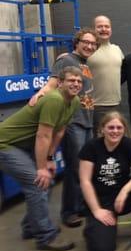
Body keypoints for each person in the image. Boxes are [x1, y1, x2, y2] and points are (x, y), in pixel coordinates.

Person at [0, 66, 82, 251]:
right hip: (5, 145)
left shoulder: (74, 101)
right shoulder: (54, 99)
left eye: (79, 81)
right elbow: (43, 135)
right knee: (38, 182)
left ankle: (31, 226)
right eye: (71, 80)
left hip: (22, 146)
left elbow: (59, 131)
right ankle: (45, 236)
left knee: (46, 182)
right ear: (60, 83)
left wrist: (50, 158)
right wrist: (41, 167)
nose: (75, 84)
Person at [30, 27, 98, 228]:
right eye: (86, 42)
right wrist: (40, 94)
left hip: (87, 121)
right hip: (73, 122)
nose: (89, 46)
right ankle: (69, 211)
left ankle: (80, 204)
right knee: (74, 167)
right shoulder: (66, 60)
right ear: (76, 42)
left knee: (85, 166)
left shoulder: (84, 63)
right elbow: (52, 84)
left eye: (93, 44)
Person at [79, 112, 131, 251]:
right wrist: (96, 210)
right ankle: (93, 227)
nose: (115, 131)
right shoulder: (91, 147)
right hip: (101, 203)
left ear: (124, 129)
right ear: (102, 129)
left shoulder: (127, 143)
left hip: (121, 199)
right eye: (111, 127)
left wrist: (125, 190)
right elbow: (85, 181)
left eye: (119, 128)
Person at [87, 15, 124, 133]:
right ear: (93, 29)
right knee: (98, 141)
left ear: (111, 30)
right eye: (100, 26)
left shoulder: (117, 49)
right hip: (95, 106)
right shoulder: (88, 50)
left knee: (113, 140)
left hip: (116, 104)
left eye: (107, 26)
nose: (104, 29)